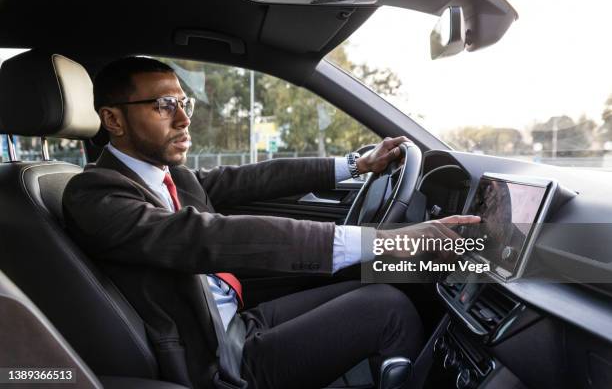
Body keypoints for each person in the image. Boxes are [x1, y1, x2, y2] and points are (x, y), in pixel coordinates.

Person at [63, 57, 480, 389]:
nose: (184, 119)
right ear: (114, 120)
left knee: (374, 286)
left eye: (183, 103)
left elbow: (253, 178)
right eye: (162, 106)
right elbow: (208, 237)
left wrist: (356, 164)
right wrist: (384, 242)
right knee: (388, 310)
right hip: (217, 361)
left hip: (234, 322)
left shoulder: (172, 177)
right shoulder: (95, 195)